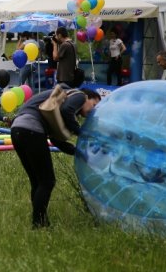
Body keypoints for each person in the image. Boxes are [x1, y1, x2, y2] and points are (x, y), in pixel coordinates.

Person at [11, 86, 101, 228]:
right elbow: (67, 111)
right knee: (47, 181)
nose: (92, 111)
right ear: (88, 97)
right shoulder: (80, 95)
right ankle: (39, 224)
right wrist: (82, 133)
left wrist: (78, 152)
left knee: (38, 181)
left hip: (17, 129)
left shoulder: (61, 103)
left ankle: (39, 221)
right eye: (94, 105)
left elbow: (56, 140)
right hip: (32, 129)